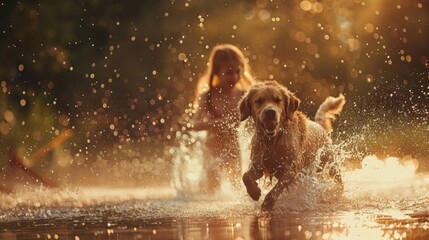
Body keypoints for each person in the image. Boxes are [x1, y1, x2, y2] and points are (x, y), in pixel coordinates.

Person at [191, 44, 255, 193]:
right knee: (211, 189)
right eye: (228, 72)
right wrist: (216, 123)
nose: (234, 77)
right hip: (211, 148)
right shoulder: (207, 97)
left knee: (238, 187)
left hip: (233, 147)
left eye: (238, 72)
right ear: (217, 72)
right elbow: (195, 124)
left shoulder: (244, 95)